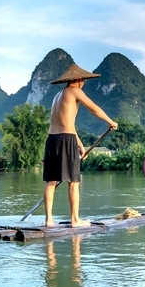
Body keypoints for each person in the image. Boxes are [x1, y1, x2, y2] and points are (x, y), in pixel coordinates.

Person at [43, 64, 118, 227]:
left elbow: (66, 123)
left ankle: (48, 220)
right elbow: (94, 109)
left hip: (52, 139)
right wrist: (110, 121)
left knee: (51, 181)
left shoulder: (58, 95)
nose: (83, 82)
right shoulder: (75, 91)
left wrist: (79, 144)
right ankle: (75, 220)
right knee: (74, 181)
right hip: (65, 139)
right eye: (83, 79)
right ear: (77, 79)